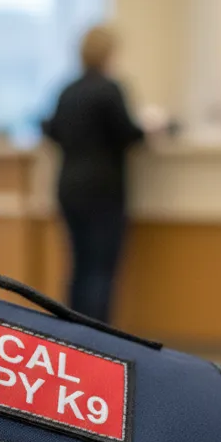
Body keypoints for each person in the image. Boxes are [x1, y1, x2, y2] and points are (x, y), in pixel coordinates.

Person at [42, 25, 144, 325]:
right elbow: (128, 134)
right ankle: (98, 336)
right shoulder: (109, 90)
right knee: (101, 269)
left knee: (78, 265)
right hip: (103, 189)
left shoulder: (67, 90)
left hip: (69, 187)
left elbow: (52, 130)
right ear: (109, 54)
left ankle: (73, 332)